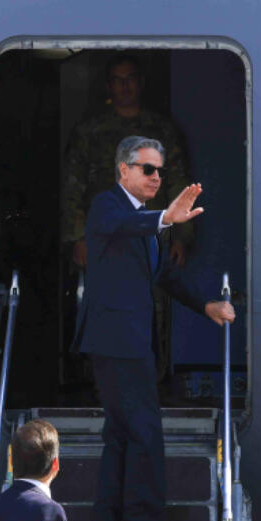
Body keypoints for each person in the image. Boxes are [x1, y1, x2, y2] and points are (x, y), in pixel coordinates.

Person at [72, 135, 235, 521]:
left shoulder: (146, 222)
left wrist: (206, 306)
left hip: (130, 342)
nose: (156, 176)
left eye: (160, 170)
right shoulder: (108, 206)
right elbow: (121, 225)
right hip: (116, 342)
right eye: (148, 169)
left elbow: (165, 276)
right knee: (144, 431)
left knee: (123, 434)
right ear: (123, 170)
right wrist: (166, 217)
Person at [61, 54, 195, 382]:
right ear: (108, 85)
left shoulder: (161, 130)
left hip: (150, 238)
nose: (125, 86)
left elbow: (179, 184)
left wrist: (182, 236)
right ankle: (98, 387)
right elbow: (71, 186)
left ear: (141, 83)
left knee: (154, 312)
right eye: (118, 80)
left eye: (131, 78)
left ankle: (153, 384)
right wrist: (77, 238)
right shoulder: (90, 130)